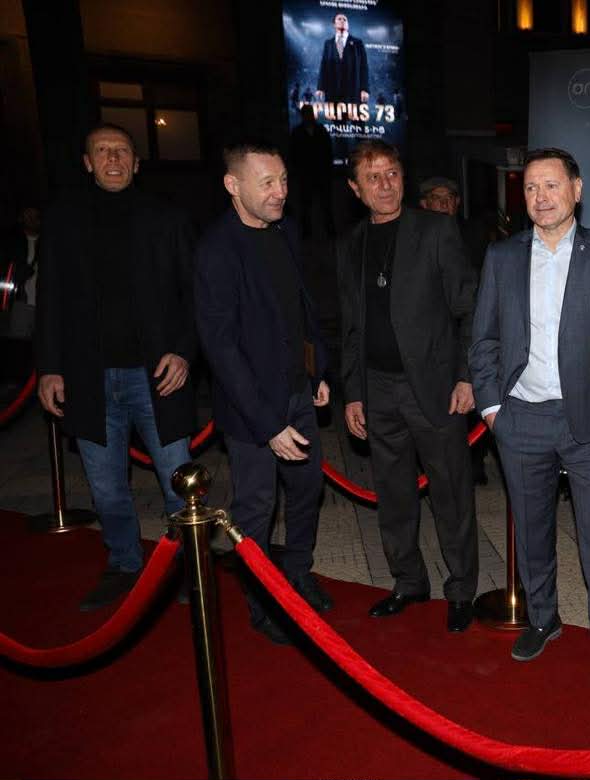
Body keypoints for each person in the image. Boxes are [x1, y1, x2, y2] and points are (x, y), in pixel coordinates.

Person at [469, 147, 590, 682]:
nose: (541, 197)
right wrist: (493, 409)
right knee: (531, 532)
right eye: (530, 188)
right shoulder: (502, 257)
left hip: (588, 422)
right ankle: (543, 619)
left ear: (576, 189)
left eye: (551, 185)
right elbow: (484, 339)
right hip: (520, 418)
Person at [34, 123, 196, 611]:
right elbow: (50, 300)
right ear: (87, 163)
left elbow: (194, 295)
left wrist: (183, 351)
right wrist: (49, 368)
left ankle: (186, 567)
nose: (112, 159)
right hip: (88, 378)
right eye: (102, 151)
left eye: (121, 151)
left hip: (157, 377)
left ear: (136, 162)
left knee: (178, 483)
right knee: (106, 490)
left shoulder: (166, 218)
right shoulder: (63, 220)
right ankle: (125, 563)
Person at [337, 141, 480, 632]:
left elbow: (468, 308)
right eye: (373, 177)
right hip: (377, 389)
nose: (385, 185)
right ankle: (409, 581)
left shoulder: (436, 230)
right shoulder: (351, 243)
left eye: (392, 174)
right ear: (355, 188)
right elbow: (350, 326)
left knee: (451, 492)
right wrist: (354, 392)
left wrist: (467, 375)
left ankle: (461, 589)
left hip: (435, 386)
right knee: (393, 493)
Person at [194, 140, 333, 645]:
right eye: (267, 183)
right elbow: (222, 349)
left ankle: (297, 573)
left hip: (298, 392)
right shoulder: (215, 251)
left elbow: (300, 311)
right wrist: (268, 424)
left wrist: (316, 372)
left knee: (307, 491)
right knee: (255, 508)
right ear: (233, 186)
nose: (281, 192)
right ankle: (262, 601)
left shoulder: (284, 231)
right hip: (253, 408)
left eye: (284, 180)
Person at [419, 174, 493, 485]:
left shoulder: (475, 235)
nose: (443, 204)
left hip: (471, 329)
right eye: (436, 199)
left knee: (473, 402)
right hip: (429, 340)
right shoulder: (414, 236)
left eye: (448, 198)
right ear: (424, 204)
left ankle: (473, 463)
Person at [288, 104, 335, 239]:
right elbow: (293, 154)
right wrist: (298, 171)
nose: (309, 116)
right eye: (306, 113)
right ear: (303, 116)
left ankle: (331, 232)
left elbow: (328, 151)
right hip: (305, 175)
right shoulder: (297, 132)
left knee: (326, 205)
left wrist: (328, 170)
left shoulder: (321, 130)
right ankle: (306, 234)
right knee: (305, 205)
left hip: (322, 174)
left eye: (310, 113)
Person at [316, 13, 369, 106]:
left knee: (355, 116)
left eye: (345, 19)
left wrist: (364, 89)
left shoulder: (358, 43)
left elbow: (363, 67)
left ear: (348, 25)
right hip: (333, 91)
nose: (342, 21)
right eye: (339, 19)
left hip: (353, 91)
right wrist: (320, 87)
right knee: (335, 116)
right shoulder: (328, 43)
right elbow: (323, 66)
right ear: (334, 24)